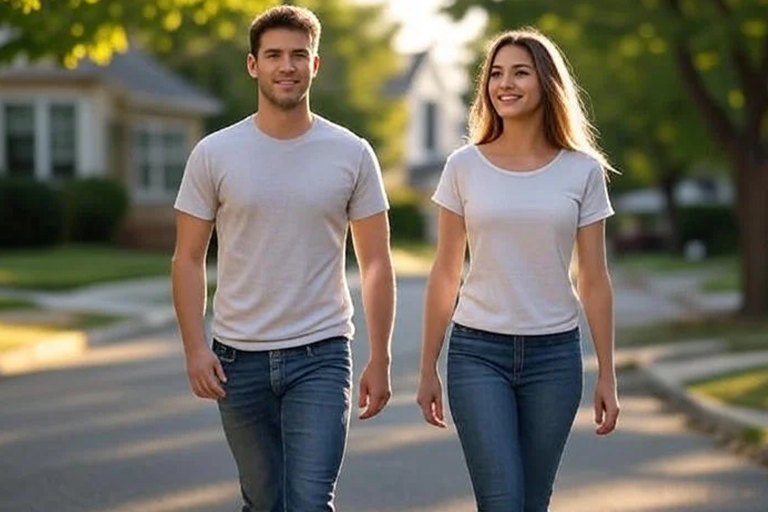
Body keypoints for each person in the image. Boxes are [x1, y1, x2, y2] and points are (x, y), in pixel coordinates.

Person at [171, 5, 396, 512]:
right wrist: (194, 348)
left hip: (322, 353)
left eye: (298, 55)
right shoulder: (214, 153)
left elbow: (377, 263)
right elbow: (186, 258)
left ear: (315, 64)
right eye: (273, 55)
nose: (286, 66)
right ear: (253, 65)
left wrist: (380, 357)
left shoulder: (352, 152)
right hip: (237, 359)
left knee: (311, 501)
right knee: (264, 501)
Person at [416, 28, 620, 512]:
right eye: (496, 74)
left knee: (532, 501)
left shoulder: (583, 170)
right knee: (502, 501)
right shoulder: (463, 166)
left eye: (520, 73)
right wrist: (427, 367)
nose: (504, 84)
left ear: (547, 83)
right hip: (477, 353)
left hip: (555, 357)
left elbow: (594, 279)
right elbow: (445, 273)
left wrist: (607, 374)